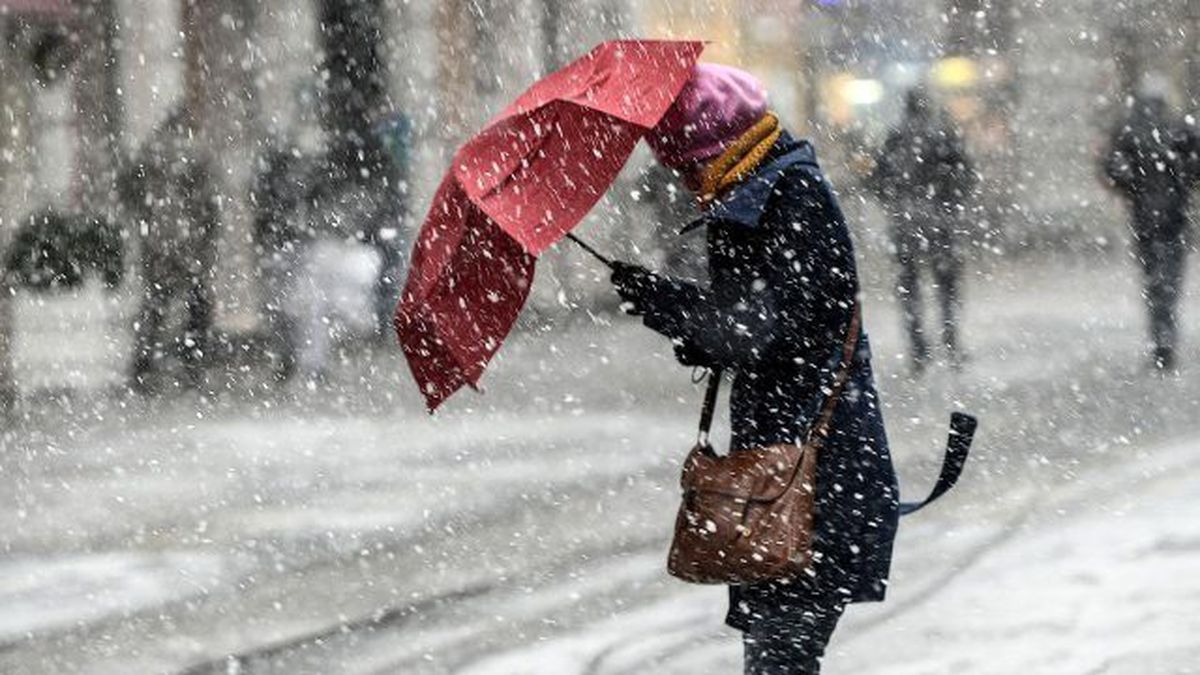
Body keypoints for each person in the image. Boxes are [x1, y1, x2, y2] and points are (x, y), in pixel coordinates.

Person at [609, 64, 899, 674]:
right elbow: (753, 326)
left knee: (781, 660)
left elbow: (764, 332)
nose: (686, 182)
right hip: (782, 475)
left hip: (812, 474)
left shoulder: (791, 196)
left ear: (716, 147)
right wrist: (670, 303)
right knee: (779, 660)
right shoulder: (758, 193)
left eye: (687, 164)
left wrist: (672, 306)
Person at [870, 87, 976, 374]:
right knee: (946, 286)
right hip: (941, 222)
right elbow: (966, 174)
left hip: (905, 223)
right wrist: (951, 201)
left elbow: (878, 179)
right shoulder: (943, 134)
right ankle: (951, 342)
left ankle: (918, 349)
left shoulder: (895, 137)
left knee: (910, 287)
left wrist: (896, 203)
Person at [120, 106, 219, 393]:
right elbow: (209, 205)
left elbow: (129, 193)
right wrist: (206, 240)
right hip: (188, 243)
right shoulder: (194, 155)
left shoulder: (149, 153)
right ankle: (191, 365)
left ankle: (142, 365)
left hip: (157, 243)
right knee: (196, 306)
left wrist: (146, 223)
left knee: (156, 306)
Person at [1104, 92, 1200, 371]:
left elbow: (1114, 170)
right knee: (1167, 284)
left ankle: (1161, 339)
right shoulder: (1178, 132)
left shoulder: (1131, 134)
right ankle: (1164, 339)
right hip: (1173, 221)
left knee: (1155, 284)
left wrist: (1131, 184)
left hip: (1147, 222)